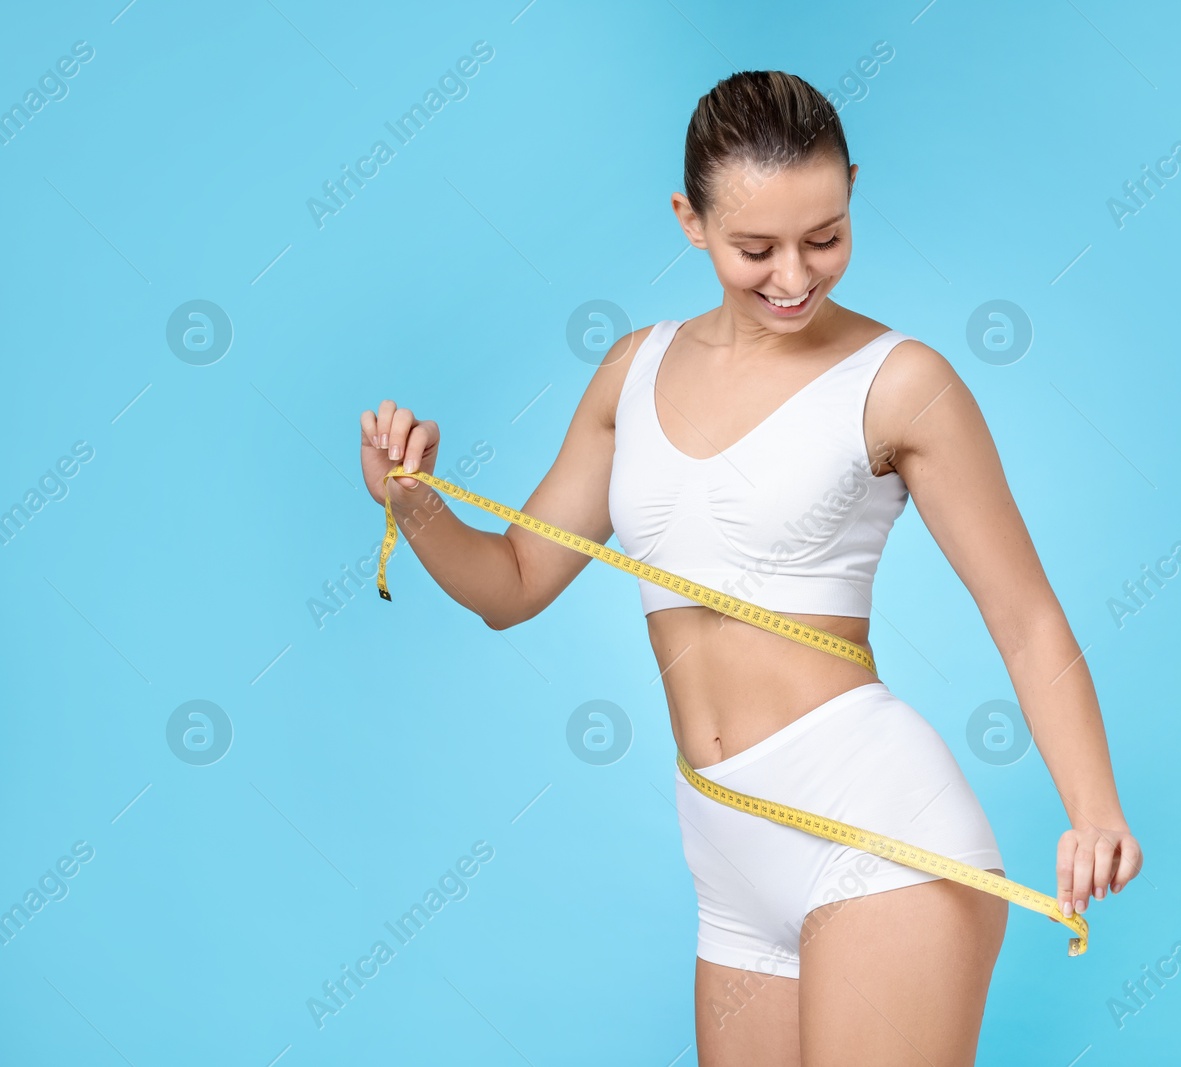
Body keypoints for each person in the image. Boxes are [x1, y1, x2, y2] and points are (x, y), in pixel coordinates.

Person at [358, 69, 1141, 1067]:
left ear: (851, 190)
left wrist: (1092, 805)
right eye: (754, 247)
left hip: (877, 829)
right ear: (689, 219)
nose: (794, 278)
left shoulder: (901, 383)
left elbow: (1024, 615)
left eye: (825, 237)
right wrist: (412, 506)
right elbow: (511, 584)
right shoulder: (632, 371)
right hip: (727, 855)